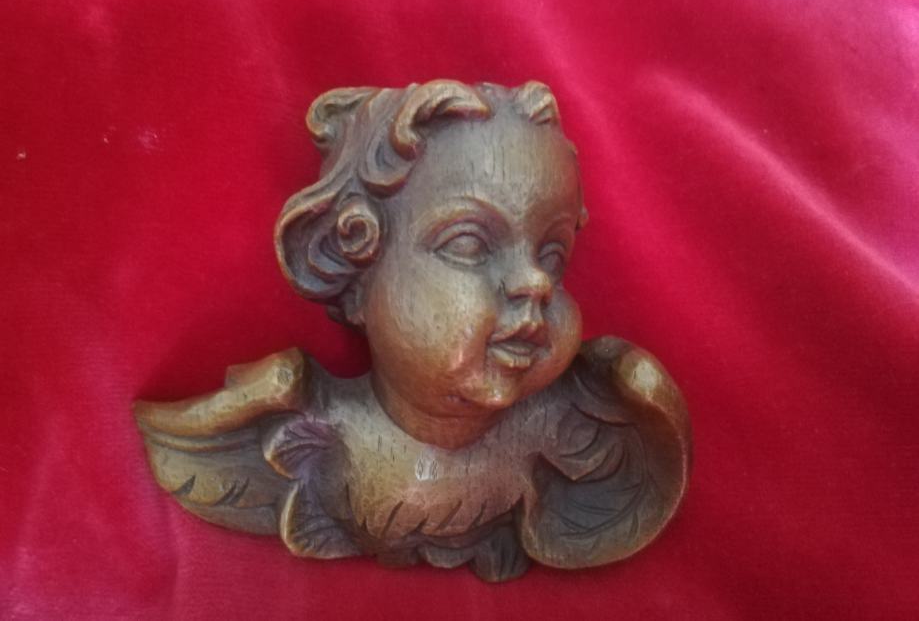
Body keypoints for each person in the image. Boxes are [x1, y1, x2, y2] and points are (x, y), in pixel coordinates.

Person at [134, 80, 691, 582]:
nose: (535, 283)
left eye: (552, 256)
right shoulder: (307, 429)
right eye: (469, 243)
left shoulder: (576, 426)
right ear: (359, 265)